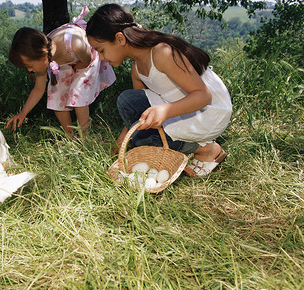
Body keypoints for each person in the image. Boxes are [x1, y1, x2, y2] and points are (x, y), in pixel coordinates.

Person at [86, 4, 232, 177]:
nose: (101, 58)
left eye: (101, 50)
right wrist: (119, 145)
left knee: (144, 139)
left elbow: (203, 96)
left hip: (209, 112)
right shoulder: (137, 68)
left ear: (119, 39)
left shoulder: (162, 53)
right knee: (127, 101)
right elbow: (136, 114)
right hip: (183, 108)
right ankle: (181, 142)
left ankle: (206, 148)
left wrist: (165, 111)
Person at [6, 7, 116, 138]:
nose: (30, 70)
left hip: (85, 58)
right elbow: (38, 89)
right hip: (64, 62)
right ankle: (70, 136)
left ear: (41, 53)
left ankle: (84, 136)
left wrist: (75, 70)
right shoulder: (44, 57)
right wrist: (23, 112)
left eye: (29, 66)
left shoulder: (75, 43)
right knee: (55, 94)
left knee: (78, 93)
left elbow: (87, 61)